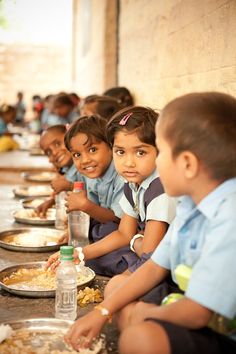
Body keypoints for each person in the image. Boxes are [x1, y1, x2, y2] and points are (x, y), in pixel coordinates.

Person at [64, 92, 236, 354]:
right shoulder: (190, 204)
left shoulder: (229, 216)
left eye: (161, 152)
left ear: (187, 163)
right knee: (119, 298)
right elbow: (155, 266)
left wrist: (138, 317)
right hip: (184, 300)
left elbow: (198, 313)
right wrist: (102, 310)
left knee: (139, 338)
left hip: (217, 324)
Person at [47, 107, 175, 276]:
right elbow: (124, 233)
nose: (128, 162)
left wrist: (135, 240)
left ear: (160, 151)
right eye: (120, 152)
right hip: (150, 258)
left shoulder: (160, 190)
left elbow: (148, 256)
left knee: (115, 282)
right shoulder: (132, 182)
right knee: (90, 259)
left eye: (140, 152)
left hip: (170, 269)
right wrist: (78, 253)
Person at [46, 115, 126, 276]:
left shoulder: (122, 176)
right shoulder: (92, 175)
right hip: (107, 228)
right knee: (98, 230)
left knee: (106, 232)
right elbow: (92, 213)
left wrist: (85, 206)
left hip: (125, 231)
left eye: (92, 150)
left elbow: (119, 220)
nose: (85, 160)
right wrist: (72, 230)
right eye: (77, 155)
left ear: (111, 146)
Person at [38, 124, 81, 215]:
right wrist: (51, 201)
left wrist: (69, 186)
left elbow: (93, 192)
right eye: (48, 152)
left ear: (70, 137)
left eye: (57, 144)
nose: (54, 152)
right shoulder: (67, 169)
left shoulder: (85, 165)